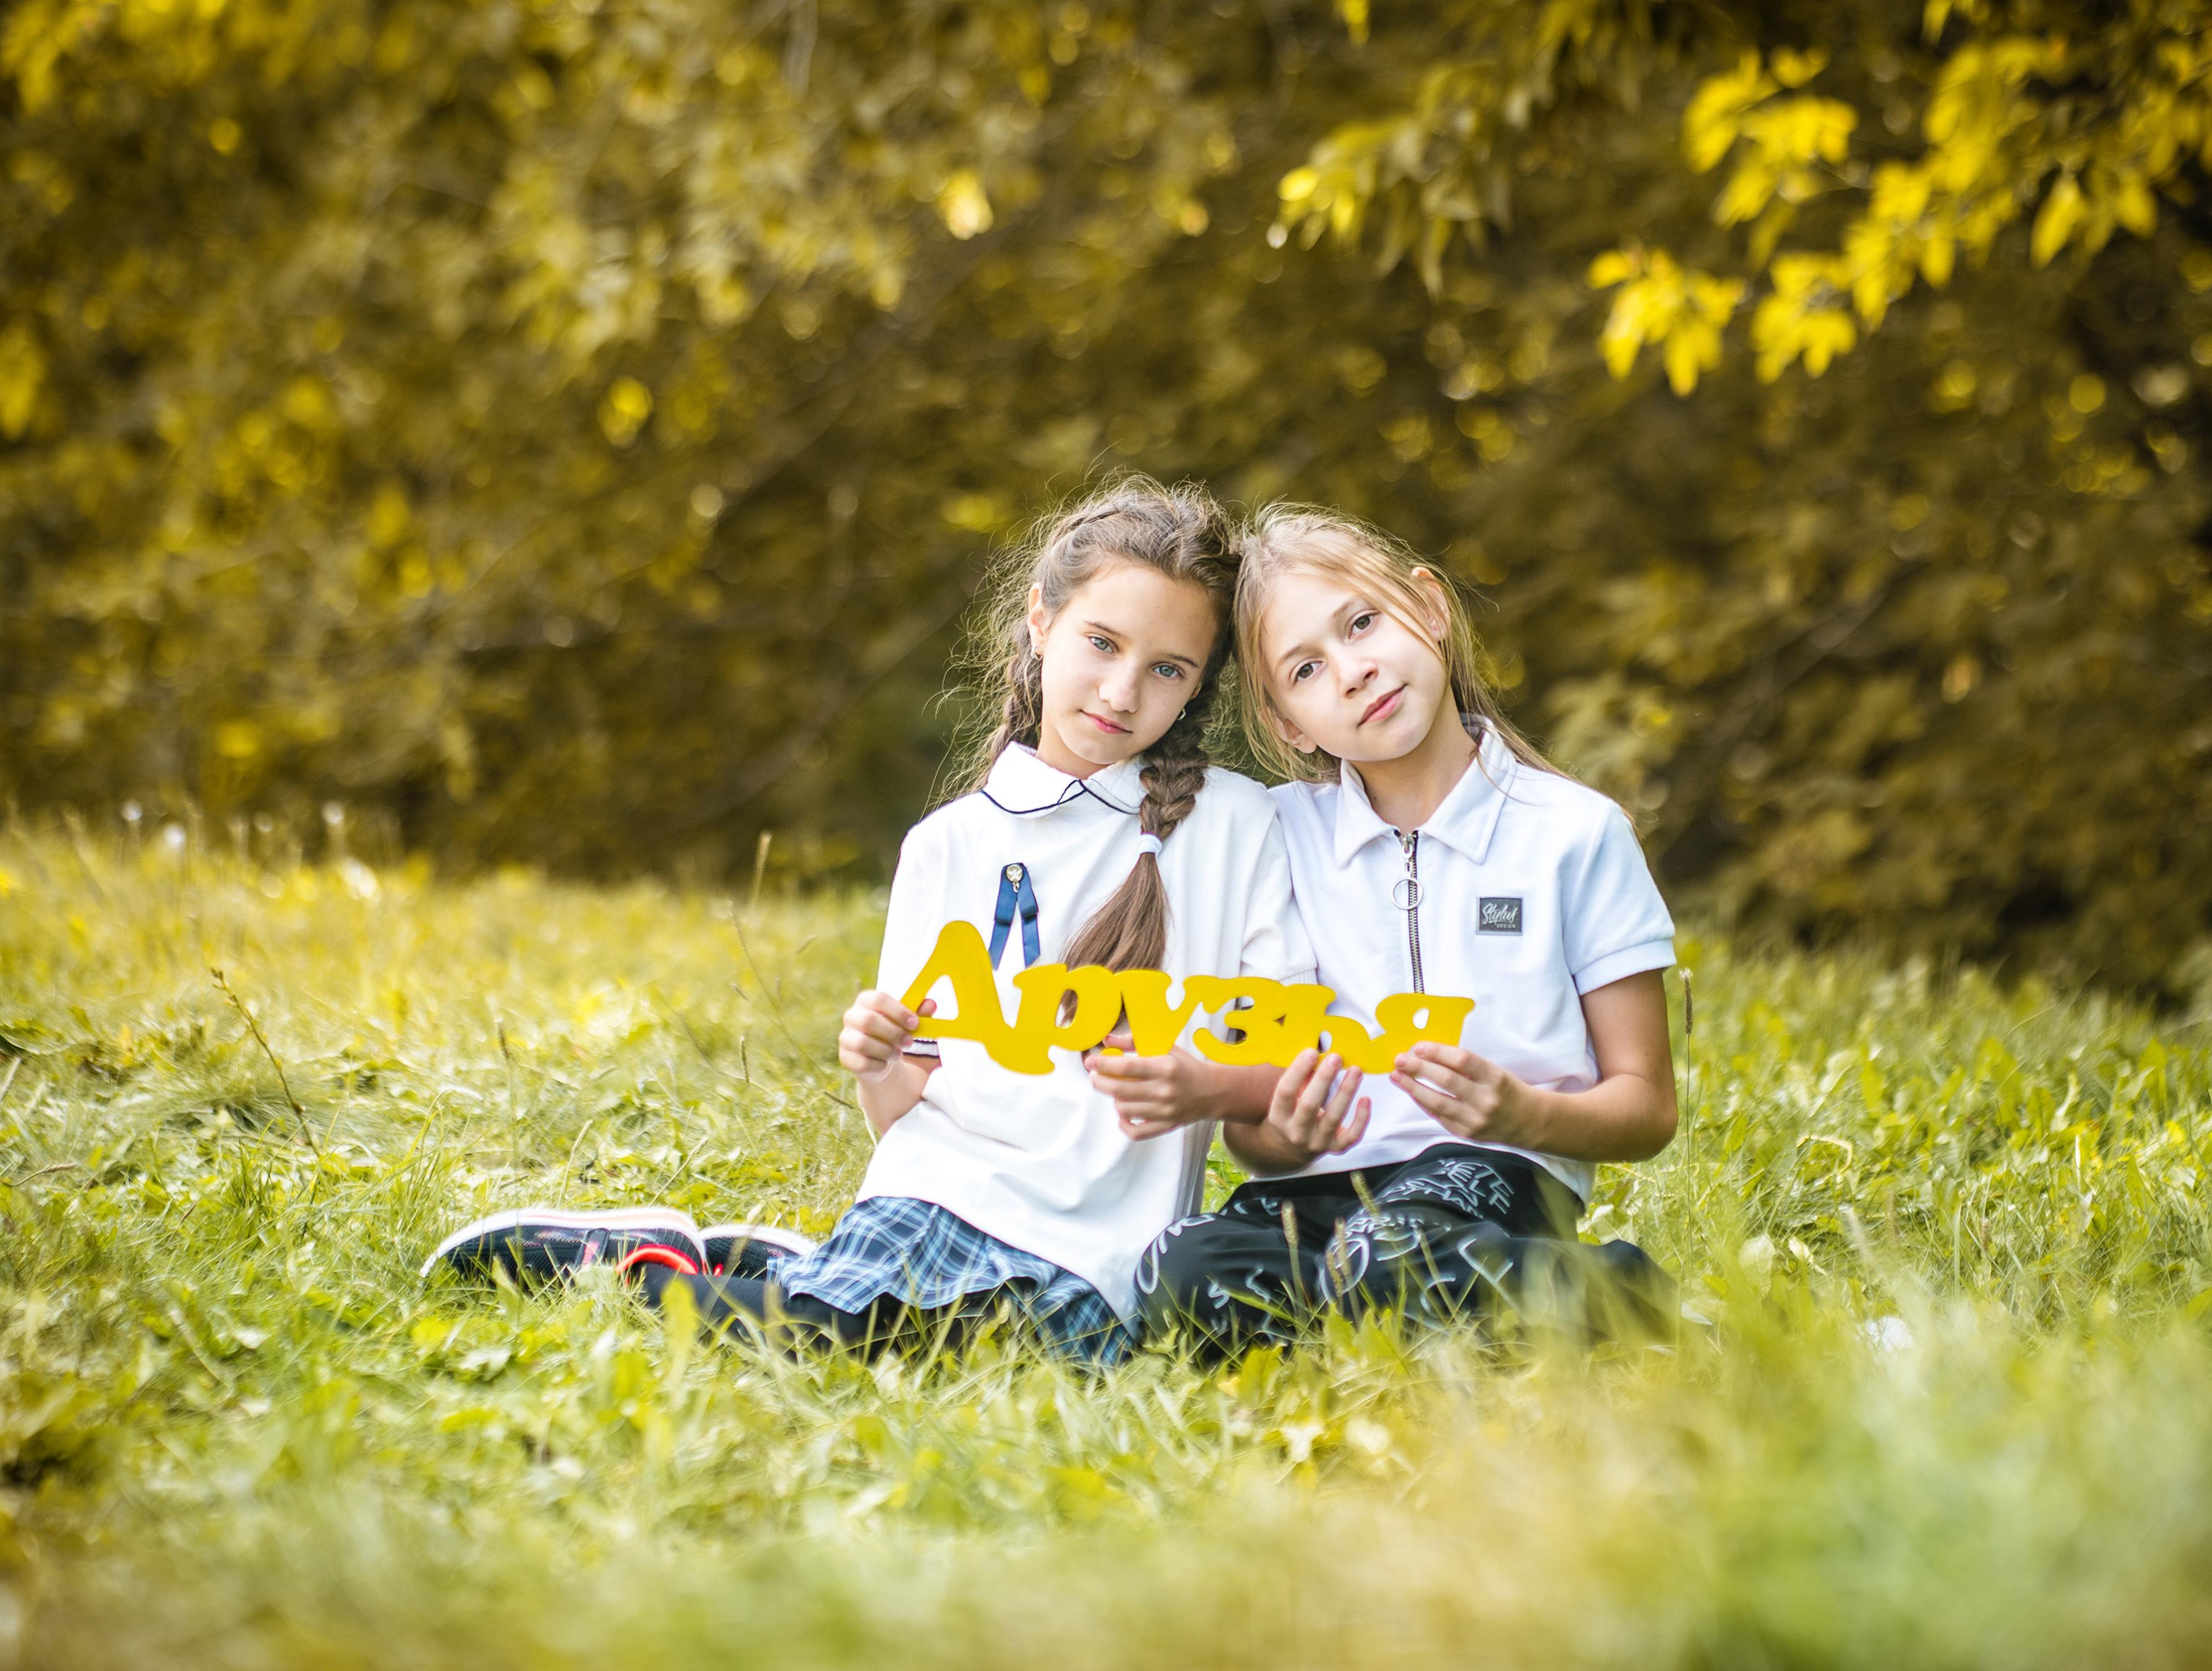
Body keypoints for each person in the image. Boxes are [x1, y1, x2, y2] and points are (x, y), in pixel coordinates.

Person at [428, 478, 1317, 1363]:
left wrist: (1205, 1081)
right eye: (1101, 642)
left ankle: (783, 1267)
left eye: (1168, 669)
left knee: (1000, 1360)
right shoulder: (951, 845)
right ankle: (632, 1266)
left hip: (1103, 1252)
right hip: (942, 1193)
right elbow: (906, 1110)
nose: (1123, 690)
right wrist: (877, 1060)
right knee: (835, 1337)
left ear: (1198, 686)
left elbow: (1289, 1049)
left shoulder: (1238, 826)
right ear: (1042, 623)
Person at [1133, 505, 1681, 1359]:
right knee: (1182, 1267)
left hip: (1498, 1172)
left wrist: (1523, 1111)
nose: (1352, 671)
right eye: (1306, 668)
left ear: (1427, 607)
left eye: (1361, 623)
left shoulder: (1574, 831)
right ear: (1286, 722)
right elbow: (1256, 1134)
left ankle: (1632, 1299)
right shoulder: (1274, 836)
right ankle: (1403, 1312)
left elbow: (1646, 1106)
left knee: (1386, 1255)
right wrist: (1286, 1136)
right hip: (1321, 1187)